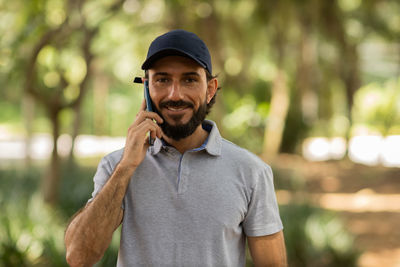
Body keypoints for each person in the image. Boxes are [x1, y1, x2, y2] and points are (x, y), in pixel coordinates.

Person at [64, 29, 287, 267]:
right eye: (162, 80)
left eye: (189, 80)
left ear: (210, 89)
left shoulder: (251, 172)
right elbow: (79, 257)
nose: (175, 94)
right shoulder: (116, 166)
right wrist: (126, 168)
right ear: (146, 88)